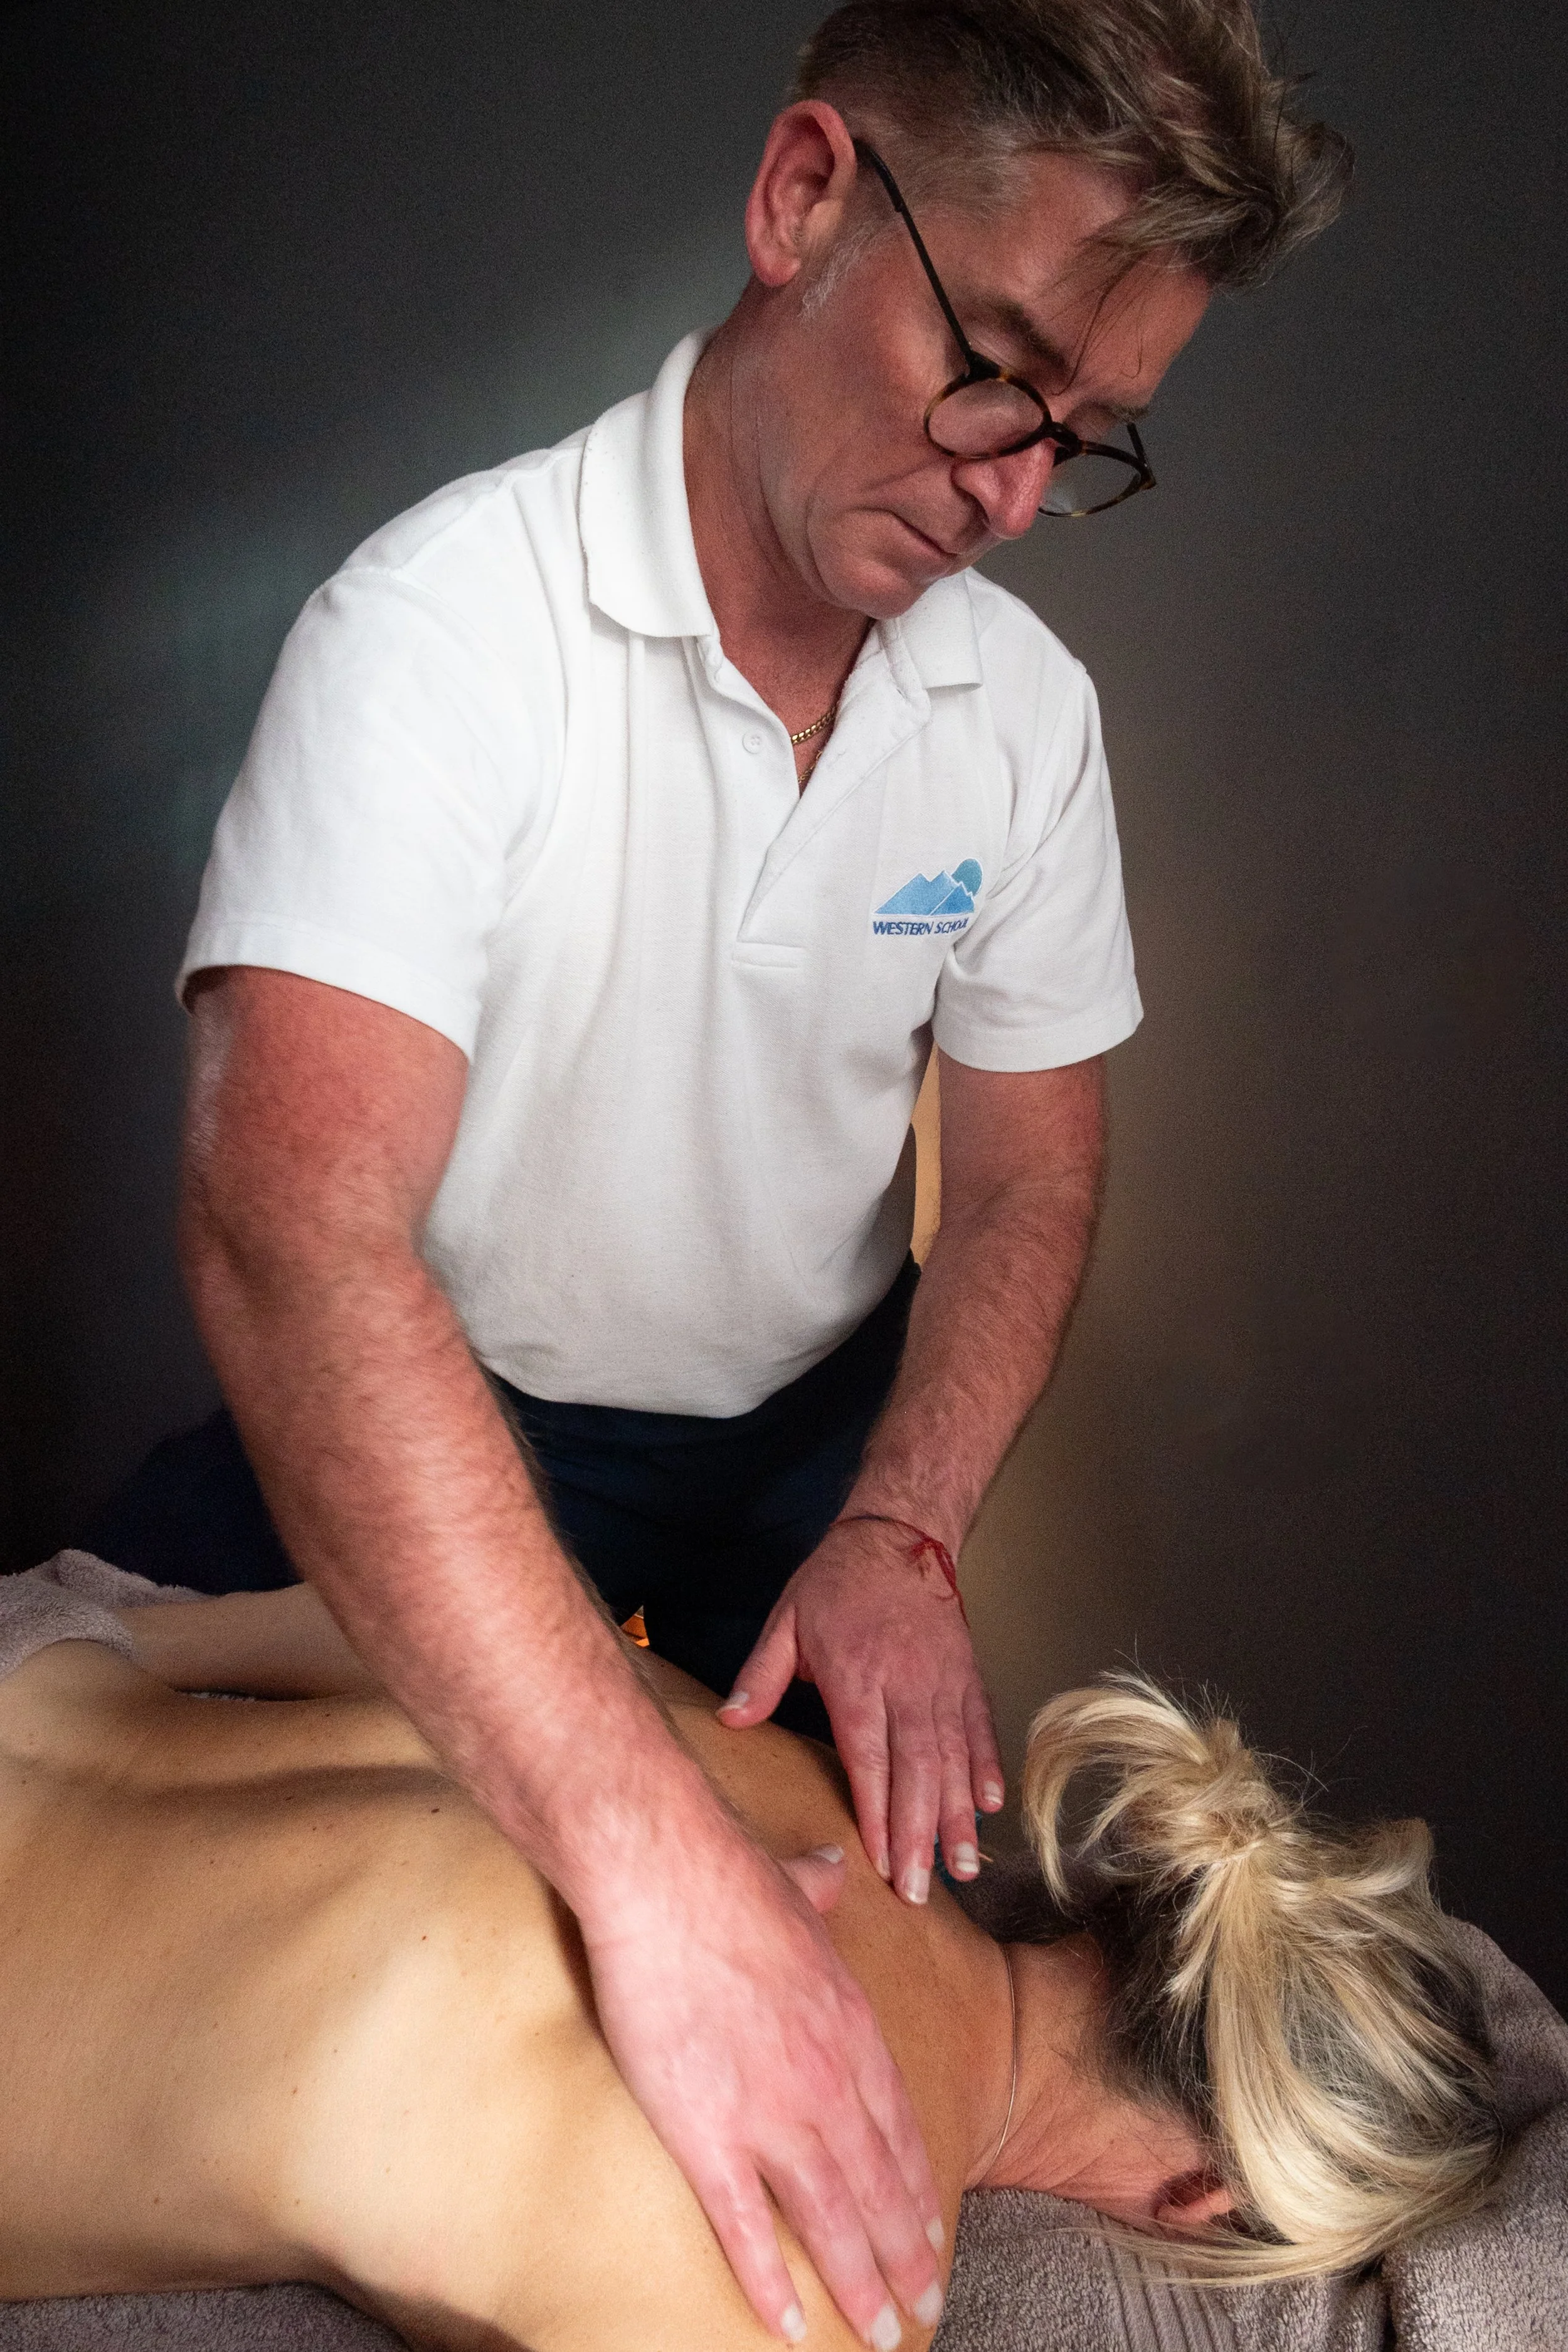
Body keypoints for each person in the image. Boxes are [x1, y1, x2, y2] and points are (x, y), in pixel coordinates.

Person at [97, 4, 1352, 2337]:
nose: (1012, 494)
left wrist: (901, 1527)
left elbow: (1023, 1183)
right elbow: (294, 1237)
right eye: (998, 371)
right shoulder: (439, 637)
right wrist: (644, 1860)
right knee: (113, 1776)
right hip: (429, 1425)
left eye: (1087, 438)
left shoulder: (1023, 720)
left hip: (795, 1485)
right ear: (800, 202)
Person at [0, 1572, 1500, 2349]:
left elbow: (395, 1614)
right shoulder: (826, 2283)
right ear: (1204, 2202)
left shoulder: (795, 1772)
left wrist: (116, 1634)